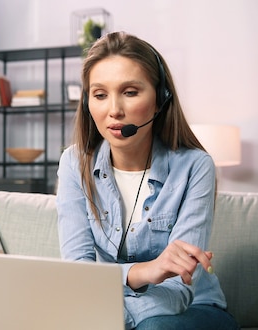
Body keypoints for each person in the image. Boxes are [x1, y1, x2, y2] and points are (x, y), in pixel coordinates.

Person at [55, 31, 239, 330]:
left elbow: (180, 287)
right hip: (105, 306)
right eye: (100, 95)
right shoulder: (74, 164)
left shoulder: (195, 166)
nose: (114, 110)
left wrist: (110, 318)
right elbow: (78, 273)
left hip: (194, 308)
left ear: (160, 99)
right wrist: (145, 271)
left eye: (130, 92)